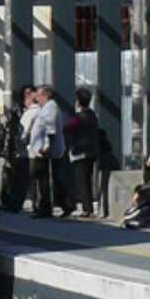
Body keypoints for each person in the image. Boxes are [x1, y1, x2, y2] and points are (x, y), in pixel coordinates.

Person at [27, 85, 66, 217]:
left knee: (44, 180)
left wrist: (46, 146)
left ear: (46, 95)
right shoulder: (45, 108)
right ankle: (47, 205)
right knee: (42, 179)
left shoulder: (50, 108)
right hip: (39, 149)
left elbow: (50, 129)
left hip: (44, 151)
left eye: (39, 95)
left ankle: (46, 206)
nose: (36, 98)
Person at [66, 87, 100, 217]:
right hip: (91, 151)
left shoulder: (79, 118)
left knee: (82, 181)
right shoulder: (92, 115)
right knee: (88, 180)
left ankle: (87, 209)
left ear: (78, 102)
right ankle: (89, 207)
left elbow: (68, 128)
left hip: (80, 152)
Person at [0, 87, 30, 212]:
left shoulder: (16, 113)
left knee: (15, 178)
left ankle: (12, 202)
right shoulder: (17, 113)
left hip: (16, 150)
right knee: (15, 179)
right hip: (16, 150)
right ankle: (12, 202)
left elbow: (10, 133)